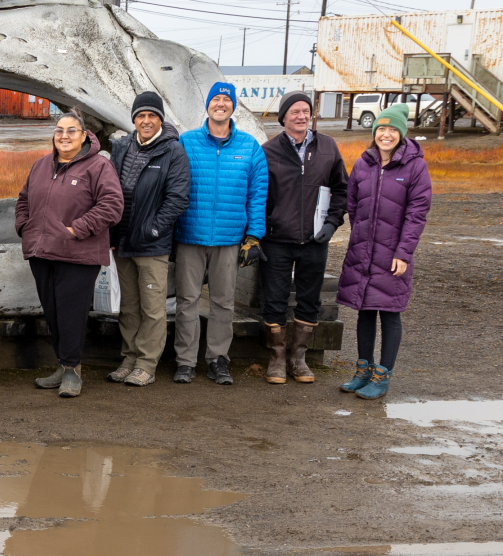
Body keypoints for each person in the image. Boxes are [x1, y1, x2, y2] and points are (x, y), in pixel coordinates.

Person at [18, 111, 124, 398]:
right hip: (42, 252)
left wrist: (77, 229)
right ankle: (62, 365)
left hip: (78, 254)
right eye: (59, 130)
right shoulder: (40, 165)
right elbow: (23, 200)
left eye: (71, 131)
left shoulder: (98, 166)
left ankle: (73, 371)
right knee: (52, 313)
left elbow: (112, 205)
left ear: (84, 135)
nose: (64, 136)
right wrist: (25, 228)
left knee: (71, 315)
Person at [174, 82, 268, 386]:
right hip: (190, 234)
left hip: (229, 239)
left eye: (226, 99)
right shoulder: (186, 142)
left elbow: (257, 194)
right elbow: (173, 186)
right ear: (208, 105)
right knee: (187, 301)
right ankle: (185, 361)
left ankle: (217, 359)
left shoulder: (249, 146)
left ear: (233, 106)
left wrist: (253, 235)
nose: (221, 104)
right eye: (216, 98)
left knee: (223, 302)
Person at [335, 104, 430, 400]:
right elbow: (353, 203)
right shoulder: (364, 164)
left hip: (393, 256)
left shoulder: (414, 166)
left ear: (401, 134)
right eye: (381, 129)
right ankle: (362, 370)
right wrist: (362, 236)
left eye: (392, 130)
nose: (385, 134)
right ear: (374, 132)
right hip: (364, 251)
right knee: (364, 310)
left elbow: (417, 213)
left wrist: (403, 253)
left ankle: (383, 375)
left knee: (389, 313)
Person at [259, 91, 349, 384]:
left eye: (305, 111)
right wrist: (261, 231)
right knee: (274, 300)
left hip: (314, 241)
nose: (301, 116)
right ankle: (276, 359)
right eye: (294, 111)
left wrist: (333, 223)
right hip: (277, 239)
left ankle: (299, 359)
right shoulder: (268, 151)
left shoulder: (328, 147)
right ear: (283, 116)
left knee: (309, 300)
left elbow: (342, 190)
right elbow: (258, 197)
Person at [106, 92, 191, 387]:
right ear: (133, 120)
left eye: (152, 116)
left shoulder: (173, 152)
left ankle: (146, 363)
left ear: (160, 120)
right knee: (128, 306)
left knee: (152, 308)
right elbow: (111, 192)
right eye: (141, 116)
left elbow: (177, 199)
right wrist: (112, 233)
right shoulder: (122, 147)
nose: (146, 121)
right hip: (122, 241)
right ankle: (129, 358)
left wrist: (153, 229)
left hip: (152, 244)